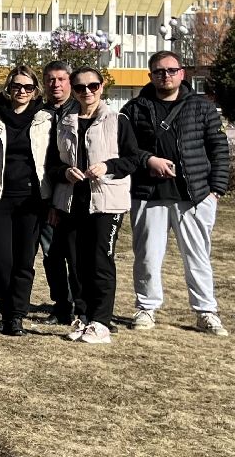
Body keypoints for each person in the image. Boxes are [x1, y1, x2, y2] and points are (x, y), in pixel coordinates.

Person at [124, 50, 230, 336]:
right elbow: (126, 148)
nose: (165, 75)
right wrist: (149, 160)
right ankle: (146, 307)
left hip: (194, 194)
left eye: (171, 70)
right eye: (159, 71)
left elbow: (218, 148)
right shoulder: (135, 108)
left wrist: (216, 190)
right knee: (147, 255)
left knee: (197, 257)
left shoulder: (201, 107)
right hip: (149, 193)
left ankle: (206, 311)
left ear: (182, 73)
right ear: (150, 75)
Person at [50, 67, 139, 345]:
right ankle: (84, 316)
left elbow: (133, 159)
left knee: (100, 261)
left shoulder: (117, 119)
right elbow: (52, 163)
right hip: (72, 200)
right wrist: (64, 172)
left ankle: (102, 321)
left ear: (102, 87)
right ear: (73, 91)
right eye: (80, 87)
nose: (87, 92)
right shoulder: (65, 121)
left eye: (93, 86)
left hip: (106, 201)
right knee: (76, 262)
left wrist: (108, 166)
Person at [0, 65, 53, 337]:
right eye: (17, 86)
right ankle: (5, 312)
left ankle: (16, 316)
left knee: (24, 261)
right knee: (1, 260)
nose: (22, 91)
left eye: (28, 87)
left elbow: (51, 159)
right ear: (8, 87)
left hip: (32, 199)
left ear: (35, 90)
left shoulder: (44, 118)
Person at [39, 61, 78, 325]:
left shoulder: (81, 111)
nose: (56, 85)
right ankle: (61, 304)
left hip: (75, 194)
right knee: (51, 254)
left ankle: (81, 303)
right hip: (45, 192)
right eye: (51, 80)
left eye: (61, 79)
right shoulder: (39, 113)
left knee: (76, 254)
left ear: (70, 82)